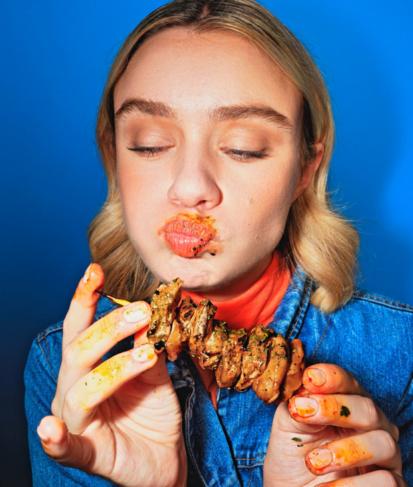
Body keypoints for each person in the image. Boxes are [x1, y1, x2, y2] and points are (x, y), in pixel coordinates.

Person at [24, 0, 413, 485]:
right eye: (148, 143)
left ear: (305, 169)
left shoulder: (401, 356)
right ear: (113, 155)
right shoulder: (64, 368)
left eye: (243, 148)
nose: (190, 188)